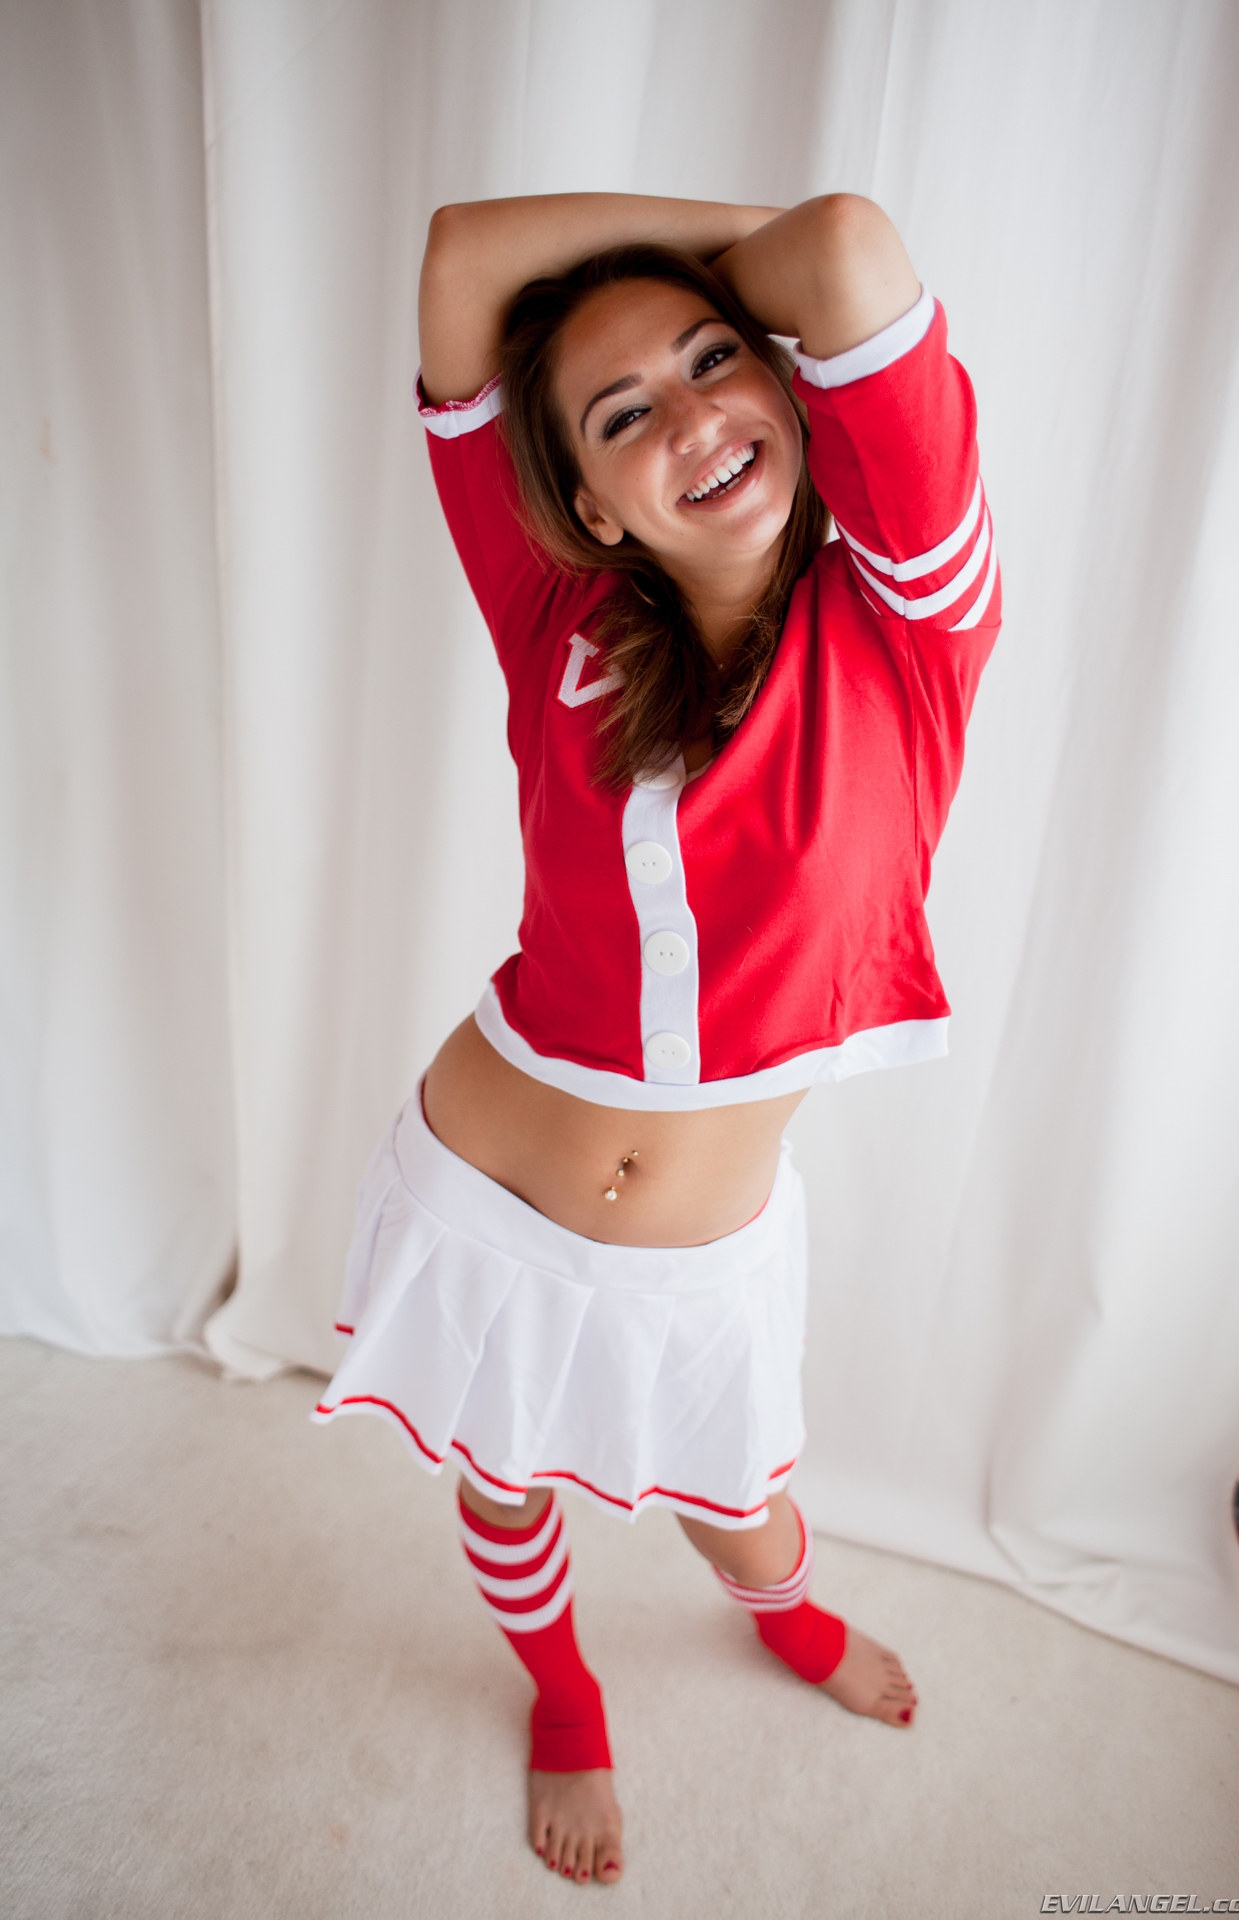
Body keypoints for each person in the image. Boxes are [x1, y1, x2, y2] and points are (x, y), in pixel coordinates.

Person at [313, 192, 1000, 1889]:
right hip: (482, 1184)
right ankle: (563, 1696)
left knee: (737, 1507)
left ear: (786, 378)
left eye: (715, 361)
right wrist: (684, 308)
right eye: (623, 415)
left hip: (706, 1246)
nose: (692, 419)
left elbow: (842, 246)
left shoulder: (912, 626)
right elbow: (461, 256)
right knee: (501, 1483)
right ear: (591, 506)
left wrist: (706, 283)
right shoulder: (554, 617)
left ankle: (794, 1619)